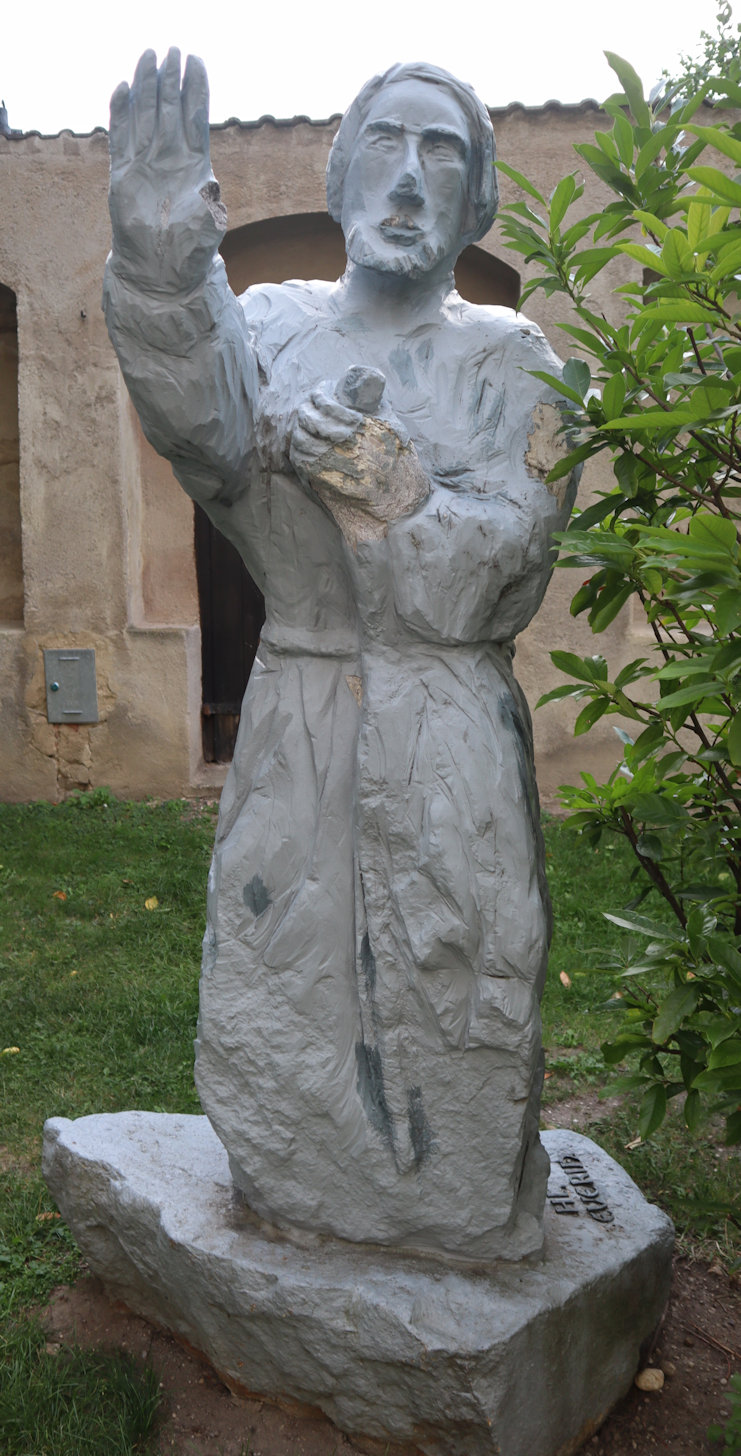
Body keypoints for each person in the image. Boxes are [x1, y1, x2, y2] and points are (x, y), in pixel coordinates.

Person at [104, 49, 579, 1262]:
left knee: (459, 975)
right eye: (386, 143)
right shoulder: (265, 325)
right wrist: (166, 260)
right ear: (338, 174)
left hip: (446, 721)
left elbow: (512, 565)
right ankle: (295, 1187)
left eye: (443, 153)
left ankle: (462, 1214)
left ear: (475, 202)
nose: (410, 178)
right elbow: (206, 435)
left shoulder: (517, 362)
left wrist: (380, 477)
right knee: (284, 977)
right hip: (300, 704)